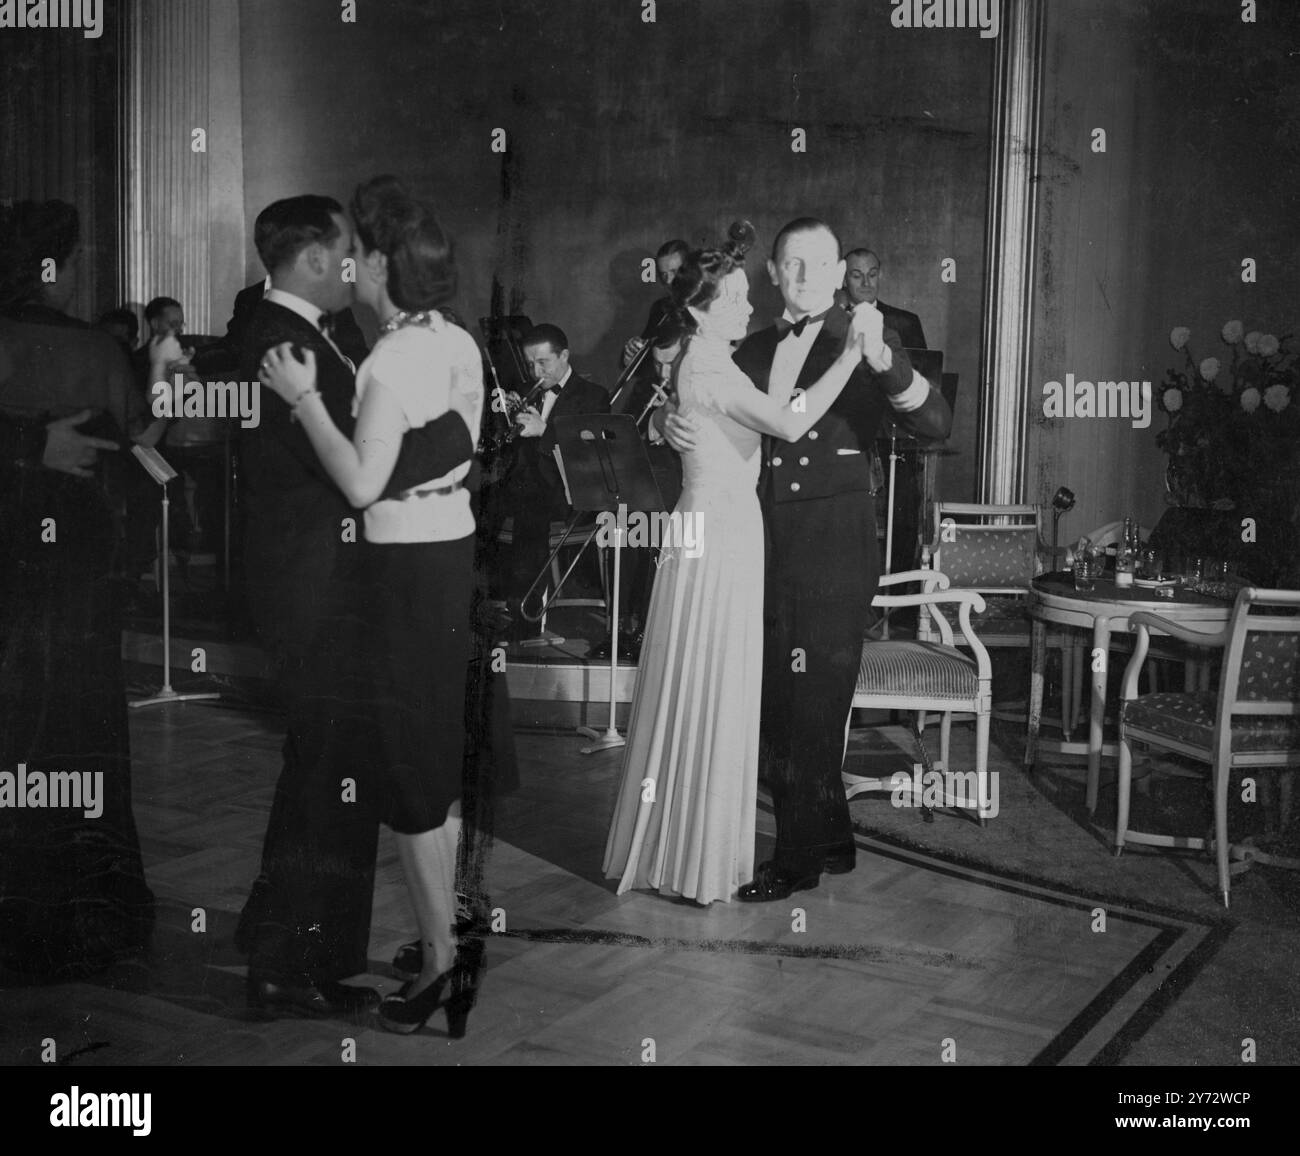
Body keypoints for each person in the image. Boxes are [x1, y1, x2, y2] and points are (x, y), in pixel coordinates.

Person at [661, 218, 952, 902]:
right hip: (759, 551)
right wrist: (668, 423)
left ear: (840, 271)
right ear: (772, 274)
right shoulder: (748, 346)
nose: (804, 277)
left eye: (818, 265)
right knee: (784, 710)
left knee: (810, 710)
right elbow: (708, 408)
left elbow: (935, 424)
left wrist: (886, 361)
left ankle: (795, 863)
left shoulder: (866, 337)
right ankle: (832, 839)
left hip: (831, 553)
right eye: (791, 265)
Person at [258, 175, 486, 1037]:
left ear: (384, 263)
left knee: (412, 779)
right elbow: (459, 441)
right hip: (448, 560)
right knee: (431, 762)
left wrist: (305, 399)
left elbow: (358, 484)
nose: (347, 260)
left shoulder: (390, 359)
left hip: (402, 578)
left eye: (360, 249)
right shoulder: (454, 339)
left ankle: (440, 965)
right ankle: (448, 938)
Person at [602, 222, 880, 905]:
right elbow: (786, 422)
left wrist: (667, 415)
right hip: (722, 537)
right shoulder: (712, 361)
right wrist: (850, 360)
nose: (748, 305)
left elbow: (727, 401)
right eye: (730, 298)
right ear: (697, 310)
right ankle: (699, 854)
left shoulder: (711, 359)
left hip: (730, 532)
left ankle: (766, 840)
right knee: (719, 685)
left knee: (716, 684)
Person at [0, 199, 160, 980]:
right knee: (77, 715)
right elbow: (140, 450)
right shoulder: (95, 349)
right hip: (77, 565)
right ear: (54, 266)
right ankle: (84, 915)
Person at [499, 323, 609, 627]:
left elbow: (590, 458)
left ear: (564, 356)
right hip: (530, 487)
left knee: (529, 513)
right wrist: (505, 423)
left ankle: (523, 619)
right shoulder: (525, 392)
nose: (535, 373)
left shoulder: (593, 396)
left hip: (571, 493)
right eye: (530, 364)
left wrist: (545, 433)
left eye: (543, 363)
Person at [838, 248, 928, 350]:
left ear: (879, 275)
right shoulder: (829, 322)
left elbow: (921, 365)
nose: (866, 283)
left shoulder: (906, 323)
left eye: (872, 275)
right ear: (844, 280)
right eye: (857, 276)